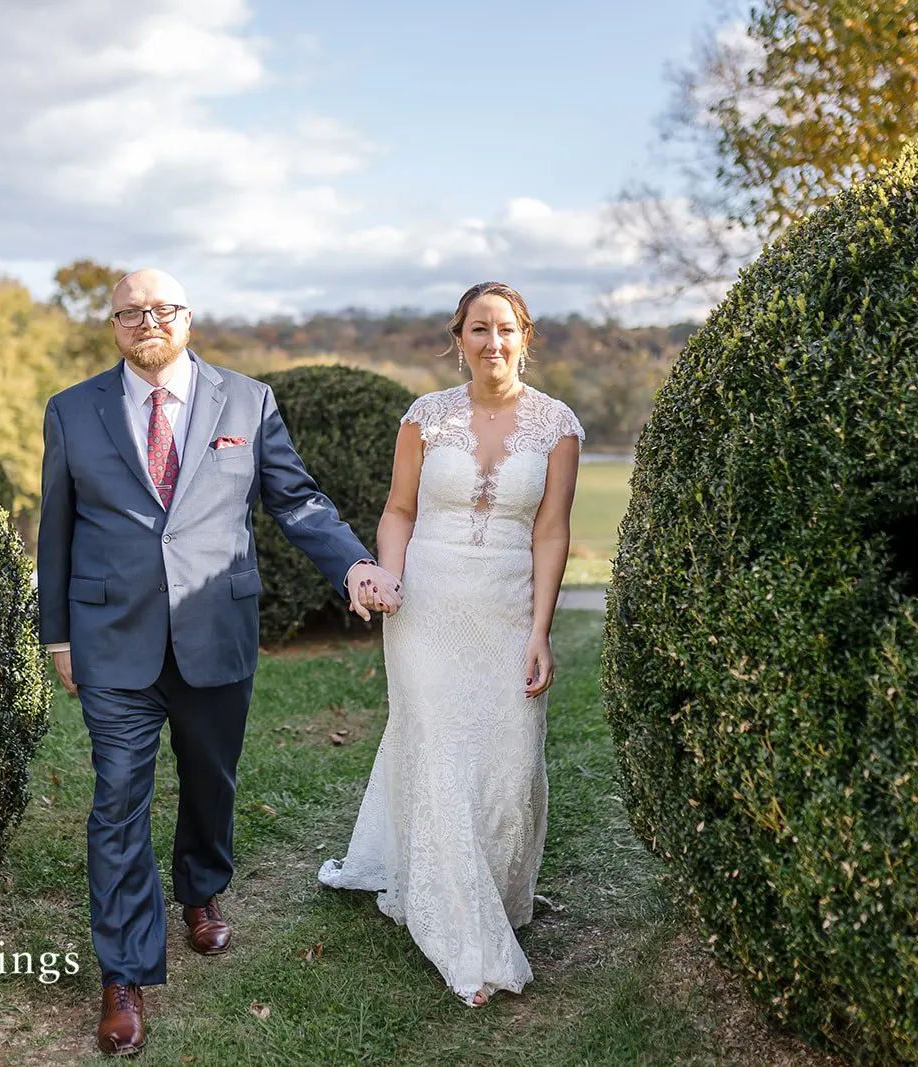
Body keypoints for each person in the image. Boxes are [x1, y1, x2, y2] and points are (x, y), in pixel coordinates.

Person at [37, 268, 401, 1056]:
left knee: (211, 779)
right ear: (113, 325)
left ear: (187, 318)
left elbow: (296, 500)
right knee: (117, 799)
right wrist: (58, 635)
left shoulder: (248, 401)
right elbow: (56, 529)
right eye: (130, 312)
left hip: (215, 630)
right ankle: (124, 973)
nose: (146, 322)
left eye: (160, 309)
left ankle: (202, 887)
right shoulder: (72, 410)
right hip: (112, 637)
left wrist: (351, 566)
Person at [318, 281, 583, 1006]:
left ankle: (494, 894)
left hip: (506, 608)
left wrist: (540, 631)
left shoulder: (559, 426)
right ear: (457, 337)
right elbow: (398, 510)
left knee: (509, 759)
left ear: (525, 335)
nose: (491, 343)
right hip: (426, 608)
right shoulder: (424, 418)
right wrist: (390, 577)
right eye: (477, 329)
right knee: (438, 750)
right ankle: (462, 935)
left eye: (504, 329)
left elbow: (552, 532)